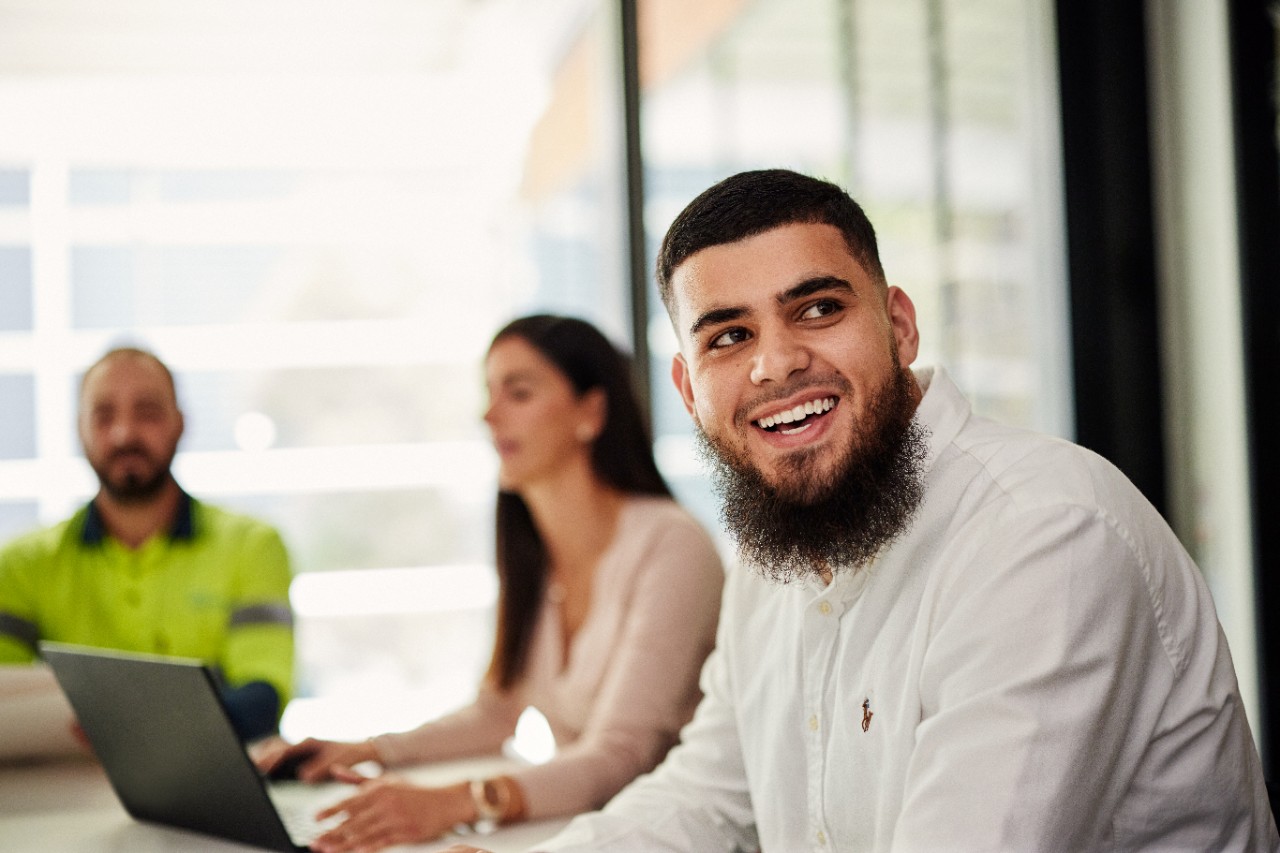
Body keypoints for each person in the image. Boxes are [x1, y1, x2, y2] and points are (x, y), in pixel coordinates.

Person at [445, 168, 1278, 853]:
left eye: (817, 308)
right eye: (728, 335)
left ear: (900, 325)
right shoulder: (775, 553)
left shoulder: (1042, 532)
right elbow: (709, 797)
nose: (776, 363)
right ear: (687, 389)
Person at [256, 314, 725, 853]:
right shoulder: (535, 549)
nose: (488, 414)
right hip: (570, 834)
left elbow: (621, 754)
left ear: (591, 412)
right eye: (488, 391)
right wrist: (366, 749)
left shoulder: (671, 545)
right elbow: (497, 711)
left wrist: (454, 801)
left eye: (518, 392)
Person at [0, 346, 295, 742]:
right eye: (104, 416)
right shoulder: (19, 566)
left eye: (148, 413)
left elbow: (262, 696)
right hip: (64, 793)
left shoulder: (253, 547)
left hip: (212, 783)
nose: (125, 433)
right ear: (80, 428)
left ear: (180, 424)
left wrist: (132, 734)